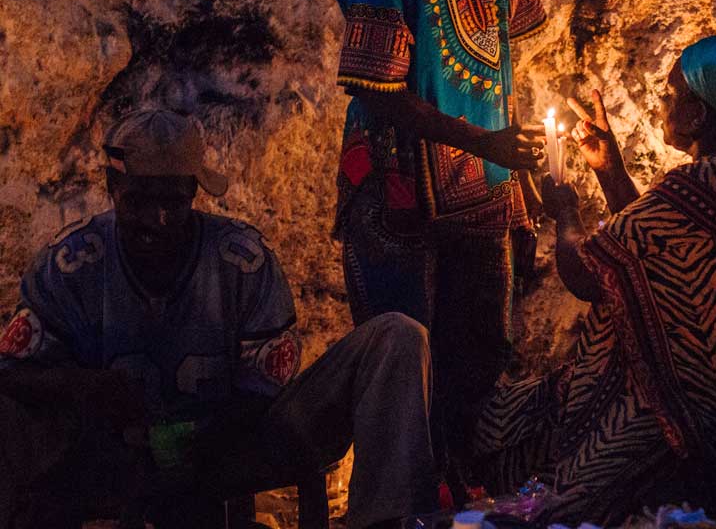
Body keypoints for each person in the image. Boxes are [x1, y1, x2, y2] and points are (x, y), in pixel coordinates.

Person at [0, 109, 437, 529]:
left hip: (240, 444)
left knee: (398, 336)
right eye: (139, 202)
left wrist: (204, 445)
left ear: (194, 192)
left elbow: (266, 391)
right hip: (106, 451)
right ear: (112, 186)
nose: (159, 220)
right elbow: (12, 373)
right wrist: (84, 388)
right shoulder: (72, 264)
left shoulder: (243, 261)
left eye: (173, 201)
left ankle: (388, 520)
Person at [473, 36, 716, 527]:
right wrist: (610, 171)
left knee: (518, 423)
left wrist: (564, 212)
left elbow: (589, 276)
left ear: (700, 115)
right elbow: (649, 259)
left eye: (673, 94)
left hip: (678, 432)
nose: (662, 101)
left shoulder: (692, 190)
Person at [331, 0, 548, 489]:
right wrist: (483, 144)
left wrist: (515, 156)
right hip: (399, 185)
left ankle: (470, 500)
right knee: (405, 364)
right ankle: (403, 506)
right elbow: (375, 88)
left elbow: (506, 43)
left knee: (480, 358)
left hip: (481, 190)